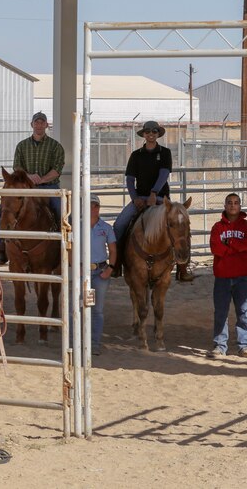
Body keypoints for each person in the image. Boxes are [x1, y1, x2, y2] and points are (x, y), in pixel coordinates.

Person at [113, 120, 192, 280]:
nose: (151, 134)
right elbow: (129, 179)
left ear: (158, 134)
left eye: (154, 132)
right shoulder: (136, 155)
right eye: (148, 132)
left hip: (162, 200)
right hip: (140, 198)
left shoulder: (165, 153)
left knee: (179, 225)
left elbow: (164, 174)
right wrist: (135, 198)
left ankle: (183, 267)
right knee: (119, 225)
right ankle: (117, 264)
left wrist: (154, 194)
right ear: (143, 134)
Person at [0, 111, 65, 265]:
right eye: (36, 122)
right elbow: (17, 166)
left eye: (42, 122)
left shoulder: (55, 146)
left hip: (49, 187)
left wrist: (43, 179)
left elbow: (57, 169)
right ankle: (2, 248)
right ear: (32, 125)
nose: (39, 125)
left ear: (46, 125)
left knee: (62, 213)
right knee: (3, 211)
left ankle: (64, 247)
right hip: (26, 188)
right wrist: (29, 176)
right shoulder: (22, 146)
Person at [207, 193, 247, 358]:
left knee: (243, 311)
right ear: (225, 206)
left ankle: (244, 346)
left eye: (236, 203)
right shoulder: (217, 227)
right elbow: (216, 249)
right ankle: (220, 346)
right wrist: (235, 248)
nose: (232, 205)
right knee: (221, 311)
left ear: (240, 206)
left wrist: (229, 245)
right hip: (222, 277)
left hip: (242, 276)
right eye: (229, 203)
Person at [88, 195, 116, 356]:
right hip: (82, 271)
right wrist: (73, 265)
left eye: (96, 206)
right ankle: (73, 343)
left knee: (97, 310)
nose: (94, 208)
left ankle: (95, 344)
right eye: (91, 205)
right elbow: (70, 248)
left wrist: (110, 268)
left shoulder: (106, 227)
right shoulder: (77, 226)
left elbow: (113, 249)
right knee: (75, 308)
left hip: (100, 271)